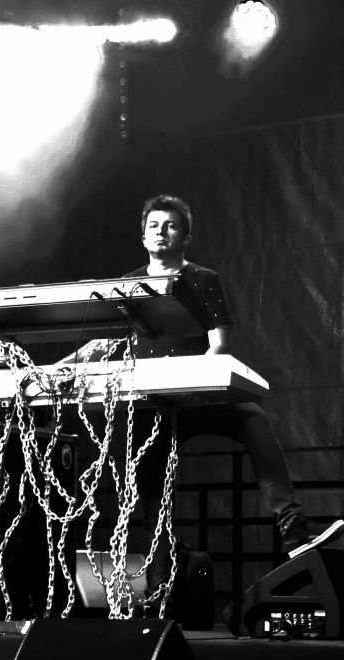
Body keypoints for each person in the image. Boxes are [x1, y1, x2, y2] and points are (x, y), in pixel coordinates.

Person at [122, 194, 344, 615]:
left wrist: (194, 386)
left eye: (171, 225)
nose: (161, 232)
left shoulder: (204, 280)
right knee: (150, 486)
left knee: (252, 418)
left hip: (196, 393)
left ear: (186, 236)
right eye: (154, 225)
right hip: (153, 403)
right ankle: (160, 583)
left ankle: (293, 529)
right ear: (143, 235)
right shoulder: (127, 284)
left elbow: (219, 346)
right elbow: (116, 342)